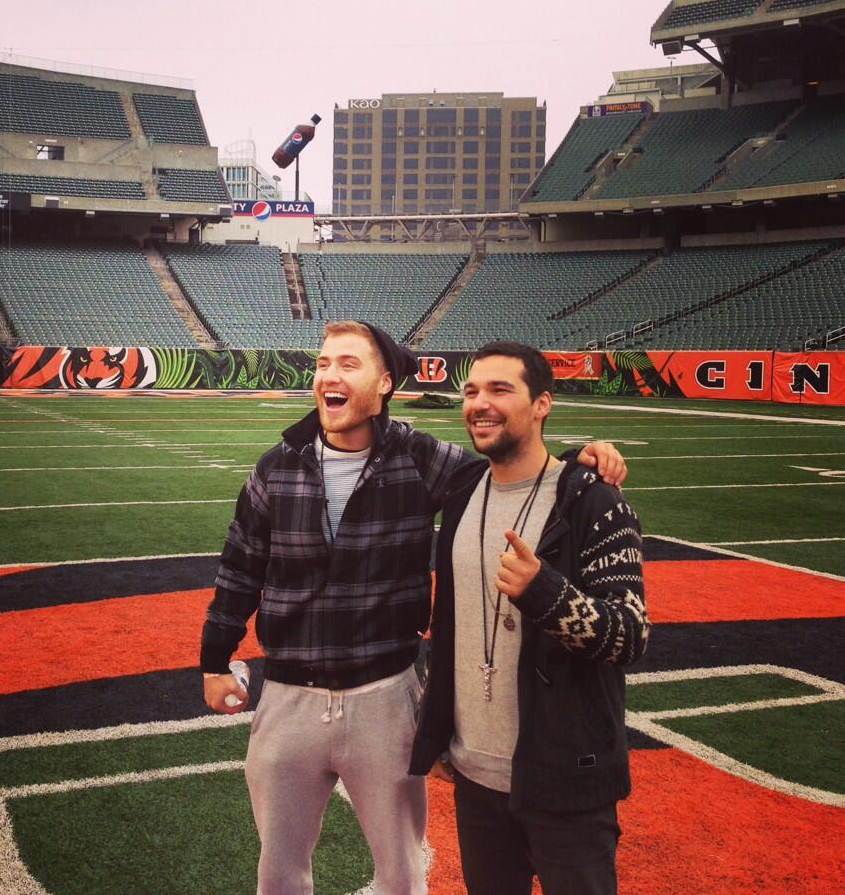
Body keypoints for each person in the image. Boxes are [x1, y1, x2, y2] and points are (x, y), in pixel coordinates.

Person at [200, 322, 627, 895]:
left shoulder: (421, 458)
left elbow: (512, 467)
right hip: (288, 697)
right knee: (278, 871)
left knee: (401, 872)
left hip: (386, 697)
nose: (329, 374)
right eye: (324, 363)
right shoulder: (276, 466)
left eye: (349, 364)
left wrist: (578, 459)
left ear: (384, 384)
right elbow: (239, 568)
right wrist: (213, 658)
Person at [409, 341, 649, 895]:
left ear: (542, 403)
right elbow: (450, 628)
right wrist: (438, 725)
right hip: (474, 777)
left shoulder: (593, 502)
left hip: (566, 778)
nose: (479, 403)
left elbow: (631, 636)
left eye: (500, 389)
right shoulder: (463, 490)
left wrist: (545, 592)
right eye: (471, 391)